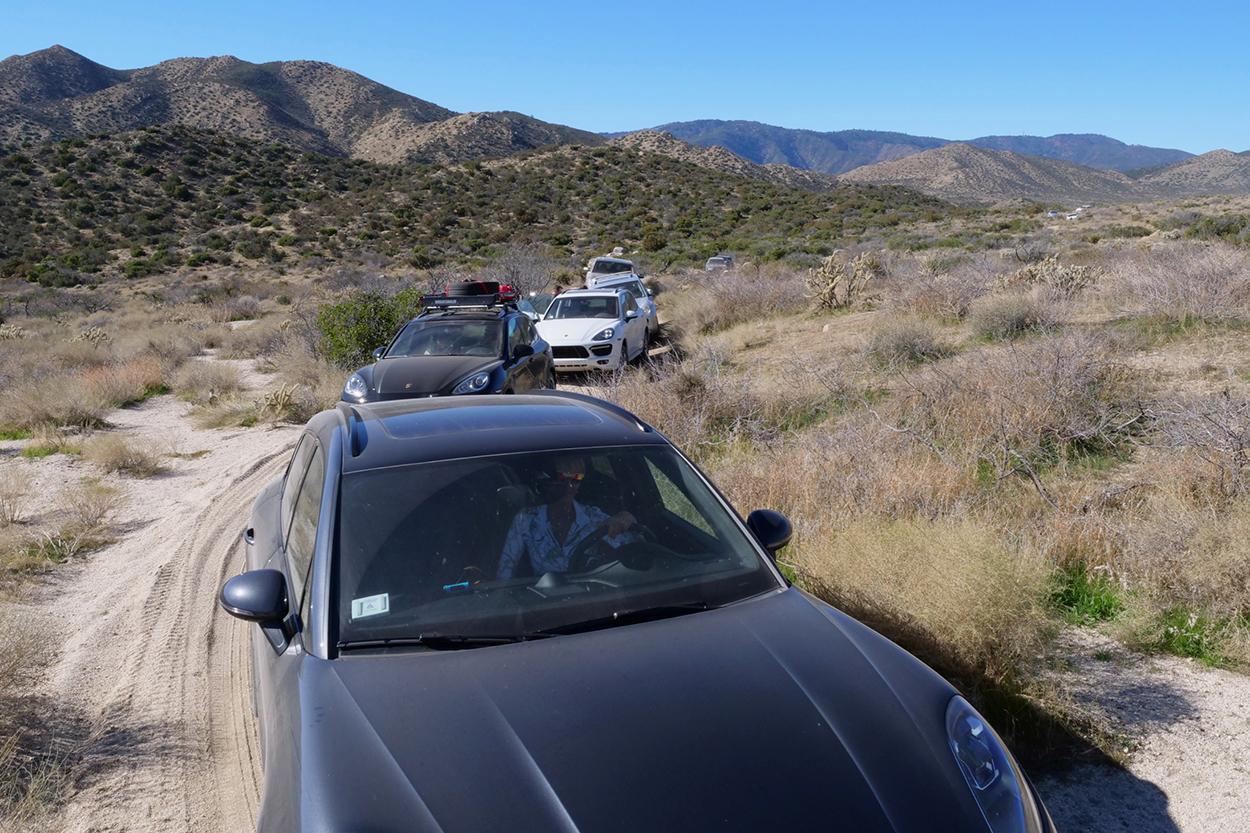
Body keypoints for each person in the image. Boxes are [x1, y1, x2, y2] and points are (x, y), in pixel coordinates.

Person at [496, 455, 636, 579]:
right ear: (548, 481)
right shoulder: (526, 519)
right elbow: (505, 571)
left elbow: (633, 549)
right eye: (563, 479)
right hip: (541, 601)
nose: (570, 486)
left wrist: (626, 519)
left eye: (577, 479)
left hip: (592, 598)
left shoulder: (593, 517)